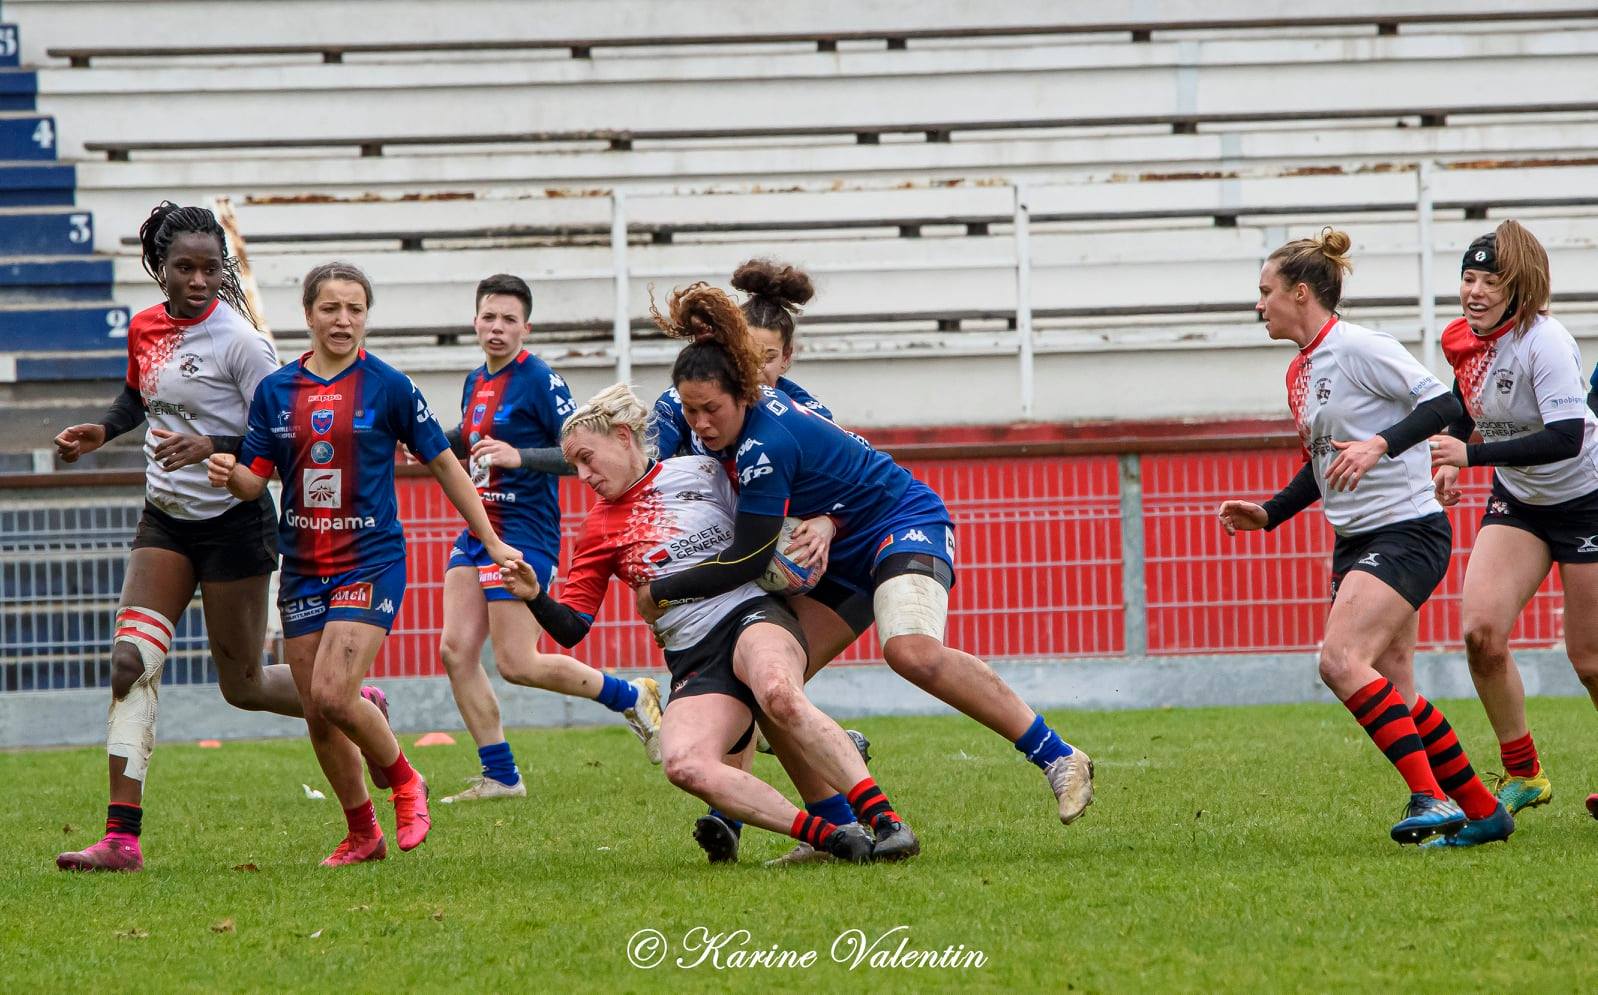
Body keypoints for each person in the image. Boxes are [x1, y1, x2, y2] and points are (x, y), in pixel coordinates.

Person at [632, 282, 1093, 847]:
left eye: (711, 407)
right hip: (827, 555)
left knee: (911, 651)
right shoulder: (694, 414)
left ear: (745, 383)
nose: (699, 420)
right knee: (773, 687)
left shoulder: (765, 436)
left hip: (899, 522)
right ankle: (834, 826)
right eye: (691, 408)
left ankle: (1059, 758)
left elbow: (756, 547)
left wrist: (666, 588)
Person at [499, 383, 911, 861]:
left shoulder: (702, 470)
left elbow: (772, 506)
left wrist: (825, 522)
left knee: (777, 690)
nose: (584, 475)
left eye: (588, 458)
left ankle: (886, 822)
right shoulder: (597, 530)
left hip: (752, 615)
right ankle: (834, 837)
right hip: (693, 657)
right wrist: (534, 595)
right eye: (575, 467)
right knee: (683, 764)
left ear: (623, 437)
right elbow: (572, 626)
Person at [207, 261, 520, 866]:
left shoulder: (389, 386)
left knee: (329, 691)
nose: (343, 319)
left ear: (366, 317)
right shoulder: (276, 391)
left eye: (354, 309)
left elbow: (446, 466)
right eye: (331, 308)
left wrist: (492, 539)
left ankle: (405, 780)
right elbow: (255, 481)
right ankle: (362, 834)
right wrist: (231, 474)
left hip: (369, 561)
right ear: (309, 315)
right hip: (301, 565)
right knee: (320, 715)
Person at [1216, 227, 1512, 846]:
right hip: (1356, 539)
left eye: (1265, 291)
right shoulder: (1299, 372)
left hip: (1407, 531)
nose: (1257, 304)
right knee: (1396, 687)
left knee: (1340, 661)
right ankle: (1483, 810)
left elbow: (1444, 405)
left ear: (1301, 293)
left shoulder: (1359, 346)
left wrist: (1381, 444)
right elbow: (1323, 463)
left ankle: (1429, 797)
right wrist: (1270, 513)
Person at [54, 202, 308, 873]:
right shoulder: (145, 328)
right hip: (165, 518)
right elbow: (141, 396)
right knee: (128, 663)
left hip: (234, 524)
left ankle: (344, 699)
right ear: (160, 269)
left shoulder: (244, 344)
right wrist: (102, 431)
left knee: (245, 685)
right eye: (184, 267)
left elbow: (285, 437)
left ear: (223, 270)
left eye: (209, 267)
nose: (198, 279)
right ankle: (121, 838)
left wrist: (214, 445)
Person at [435, 274, 661, 804]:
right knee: (454, 651)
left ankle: (631, 694)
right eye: (489, 316)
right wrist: (425, 443)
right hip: (478, 530)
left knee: (517, 663)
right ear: (475, 321)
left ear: (525, 328)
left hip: (523, 534)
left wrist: (519, 456)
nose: (497, 327)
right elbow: (470, 439)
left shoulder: (539, 379)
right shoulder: (474, 381)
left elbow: (578, 450)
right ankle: (501, 776)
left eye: (508, 319)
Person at [1430, 220, 1598, 826]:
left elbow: (1566, 436)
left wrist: (1470, 456)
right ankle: (1525, 772)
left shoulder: (1544, 341)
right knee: (1480, 633)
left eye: (1489, 281)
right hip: (1520, 501)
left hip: (1586, 501)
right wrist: (1453, 448)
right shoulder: (1469, 339)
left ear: (1519, 287)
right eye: (1467, 278)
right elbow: (1460, 400)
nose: (1473, 291)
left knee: (1591, 660)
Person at [653, 259, 833, 459]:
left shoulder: (808, 416)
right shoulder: (682, 401)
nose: (755, 369)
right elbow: (645, 470)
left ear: (786, 357)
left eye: (768, 357)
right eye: (745, 353)